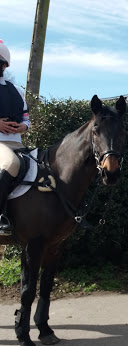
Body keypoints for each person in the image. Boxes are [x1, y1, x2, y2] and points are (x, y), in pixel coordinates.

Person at [0, 39, 30, 235]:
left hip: (17, 143)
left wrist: (22, 127)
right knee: (10, 163)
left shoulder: (17, 91)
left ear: (4, 65)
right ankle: (1, 216)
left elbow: (27, 120)